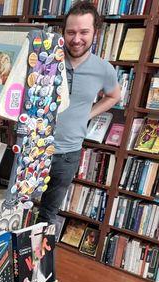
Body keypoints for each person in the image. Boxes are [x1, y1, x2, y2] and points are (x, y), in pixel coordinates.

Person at [37, 1, 121, 224]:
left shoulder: (104, 69)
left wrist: (88, 114)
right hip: (33, 149)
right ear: (63, 32)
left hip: (67, 154)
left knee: (47, 215)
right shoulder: (45, 60)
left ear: (96, 32)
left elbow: (114, 96)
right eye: (71, 32)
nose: (76, 39)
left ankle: (38, 259)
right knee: (14, 207)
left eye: (84, 32)